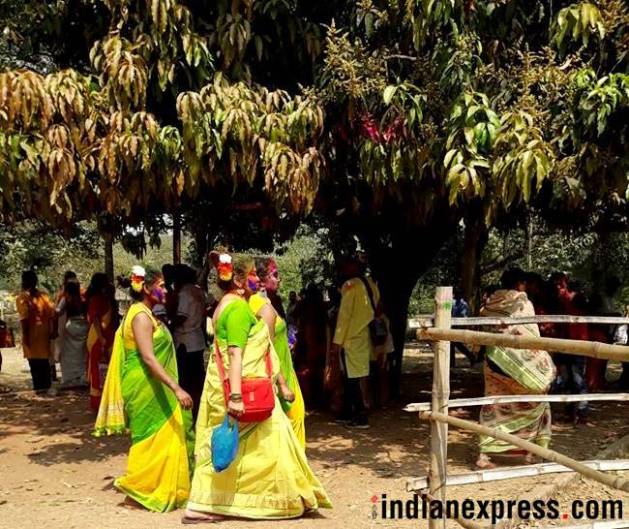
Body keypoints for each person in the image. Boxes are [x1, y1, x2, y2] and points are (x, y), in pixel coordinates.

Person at [182, 251, 331, 523]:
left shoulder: (223, 305)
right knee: (271, 444)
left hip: (228, 386)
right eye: (251, 275)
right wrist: (237, 397)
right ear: (238, 280)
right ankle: (280, 501)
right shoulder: (238, 308)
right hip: (244, 389)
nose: (256, 280)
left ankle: (213, 502)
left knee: (241, 450)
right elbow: (236, 353)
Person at [94, 266, 194, 512]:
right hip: (145, 386)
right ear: (147, 288)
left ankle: (162, 487)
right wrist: (176, 388)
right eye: (161, 286)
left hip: (152, 384)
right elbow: (149, 358)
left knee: (167, 434)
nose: (166, 290)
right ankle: (137, 491)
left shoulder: (147, 314)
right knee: (149, 436)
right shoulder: (140, 316)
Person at [476, 268, 556, 469]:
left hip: (493, 362)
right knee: (540, 400)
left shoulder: (490, 302)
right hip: (518, 366)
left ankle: (484, 456)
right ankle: (535, 452)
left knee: (493, 405)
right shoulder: (522, 302)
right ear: (521, 283)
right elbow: (531, 337)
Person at [250, 257, 306, 448]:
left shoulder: (269, 302)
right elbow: (267, 347)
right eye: (275, 275)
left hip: (285, 369)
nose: (279, 279)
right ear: (261, 279)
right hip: (278, 374)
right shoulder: (259, 305)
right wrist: (281, 383)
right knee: (293, 420)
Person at [330, 256, 381, 429]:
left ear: (353, 267)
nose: (343, 270)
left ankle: (359, 416)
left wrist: (336, 343)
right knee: (356, 377)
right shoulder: (371, 284)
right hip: (363, 336)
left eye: (345, 266)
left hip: (350, 339)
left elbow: (344, 317)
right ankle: (347, 412)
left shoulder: (351, 286)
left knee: (350, 379)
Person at [550, 273, 590, 425]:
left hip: (577, 345)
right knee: (567, 380)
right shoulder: (560, 301)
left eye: (560, 285)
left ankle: (582, 412)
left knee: (578, 379)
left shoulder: (577, 299)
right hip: (563, 345)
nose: (558, 288)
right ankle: (569, 412)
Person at [173, 264, 208, 420]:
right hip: (198, 339)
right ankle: (199, 413)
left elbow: (182, 316)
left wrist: (169, 324)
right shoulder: (199, 291)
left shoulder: (185, 293)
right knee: (198, 381)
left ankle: (188, 416)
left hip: (185, 341)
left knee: (186, 381)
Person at [16, 270, 57, 392]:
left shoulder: (22, 297)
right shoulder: (44, 296)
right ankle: (46, 385)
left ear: (23, 281)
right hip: (44, 332)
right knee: (44, 360)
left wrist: (25, 336)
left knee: (34, 362)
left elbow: (24, 319)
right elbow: (53, 314)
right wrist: (54, 330)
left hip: (31, 332)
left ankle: (39, 387)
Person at [86, 273, 116, 412]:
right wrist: (102, 338)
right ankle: (98, 403)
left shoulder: (105, 298)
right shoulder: (96, 299)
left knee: (105, 369)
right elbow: (96, 320)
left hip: (107, 337)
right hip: (99, 338)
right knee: (98, 370)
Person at [56, 279, 88, 388]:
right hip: (84, 327)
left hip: (71, 327)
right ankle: (81, 377)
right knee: (81, 354)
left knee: (68, 354)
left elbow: (58, 311)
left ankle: (70, 378)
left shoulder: (66, 299)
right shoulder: (83, 299)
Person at [450, 288, 475, 367]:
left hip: (456, 327)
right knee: (454, 344)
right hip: (453, 326)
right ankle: (470, 357)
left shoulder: (463, 304)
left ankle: (452, 362)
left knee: (454, 344)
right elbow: (444, 309)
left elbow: (463, 316)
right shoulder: (452, 303)